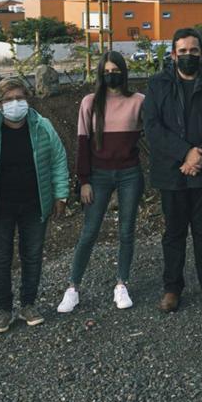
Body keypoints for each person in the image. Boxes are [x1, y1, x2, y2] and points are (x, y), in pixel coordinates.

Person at [144, 28, 202, 313]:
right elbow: (153, 127)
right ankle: (172, 289)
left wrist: (200, 155)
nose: (188, 56)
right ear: (173, 54)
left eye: (193, 51)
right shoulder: (158, 84)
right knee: (173, 232)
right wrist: (186, 153)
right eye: (182, 51)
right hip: (171, 171)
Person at [0, 78, 69, 334]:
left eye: (20, 98)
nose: (15, 103)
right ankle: (3, 309)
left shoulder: (43, 127)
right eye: (9, 99)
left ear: (28, 99)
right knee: (0, 258)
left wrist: (61, 195)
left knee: (32, 256)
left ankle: (28, 304)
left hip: (34, 204)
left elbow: (58, 161)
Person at [57, 52, 145, 313]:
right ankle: (72, 287)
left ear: (124, 72)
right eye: (107, 70)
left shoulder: (139, 101)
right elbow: (82, 144)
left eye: (116, 70)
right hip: (98, 174)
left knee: (127, 230)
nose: (111, 75)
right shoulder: (90, 102)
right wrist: (83, 180)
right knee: (89, 231)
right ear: (100, 73)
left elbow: (152, 132)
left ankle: (122, 283)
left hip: (129, 172)